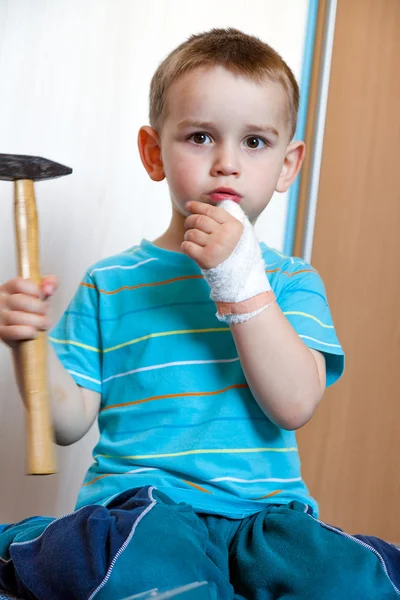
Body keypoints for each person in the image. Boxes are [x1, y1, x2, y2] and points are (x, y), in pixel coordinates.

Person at [0, 27, 399, 600]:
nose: (227, 164)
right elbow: (66, 424)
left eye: (256, 143)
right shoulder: (111, 283)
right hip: (147, 512)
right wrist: (31, 345)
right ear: (154, 153)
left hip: (265, 521)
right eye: (201, 137)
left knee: (350, 582)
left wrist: (238, 279)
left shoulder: (291, 283)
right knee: (140, 574)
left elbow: (293, 404)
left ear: (288, 165)